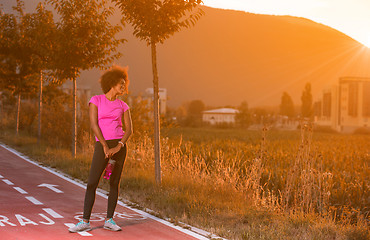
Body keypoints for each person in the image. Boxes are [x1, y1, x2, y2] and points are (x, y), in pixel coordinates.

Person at [69, 65, 133, 233]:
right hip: (102, 145)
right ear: (112, 82)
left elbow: (129, 130)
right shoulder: (96, 100)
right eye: (121, 83)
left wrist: (119, 146)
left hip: (119, 147)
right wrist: (105, 146)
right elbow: (93, 124)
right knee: (92, 182)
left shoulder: (123, 105)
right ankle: (85, 221)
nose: (124, 86)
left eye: (125, 83)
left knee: (114, 183)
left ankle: (109, 220)